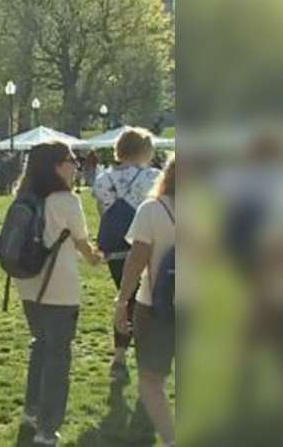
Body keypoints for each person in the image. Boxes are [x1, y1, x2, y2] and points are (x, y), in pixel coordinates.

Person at [13, 142, 101, 446]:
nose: (75, 165)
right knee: (58, 356)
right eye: (70, 160)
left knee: (41, 345)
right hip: (58, 288)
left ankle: (31, 411)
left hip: (28, 285)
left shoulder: (25, 197)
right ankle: (47, 429)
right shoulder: (66, 201)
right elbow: (82, 242)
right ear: (54, 165)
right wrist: (94, 257)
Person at [113, 156, 176, 446]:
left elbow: (136, 261)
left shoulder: (152, 210)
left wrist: (122, 301)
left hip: (155, 305)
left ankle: (171, 439)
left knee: (151, 380)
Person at [92, 128, 161, 378]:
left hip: (115, 247)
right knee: (145, 302)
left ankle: (119, 355)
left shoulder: (102, 179)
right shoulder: (153, 177)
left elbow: (103, 212)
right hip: (144, 244)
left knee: (125, 299)